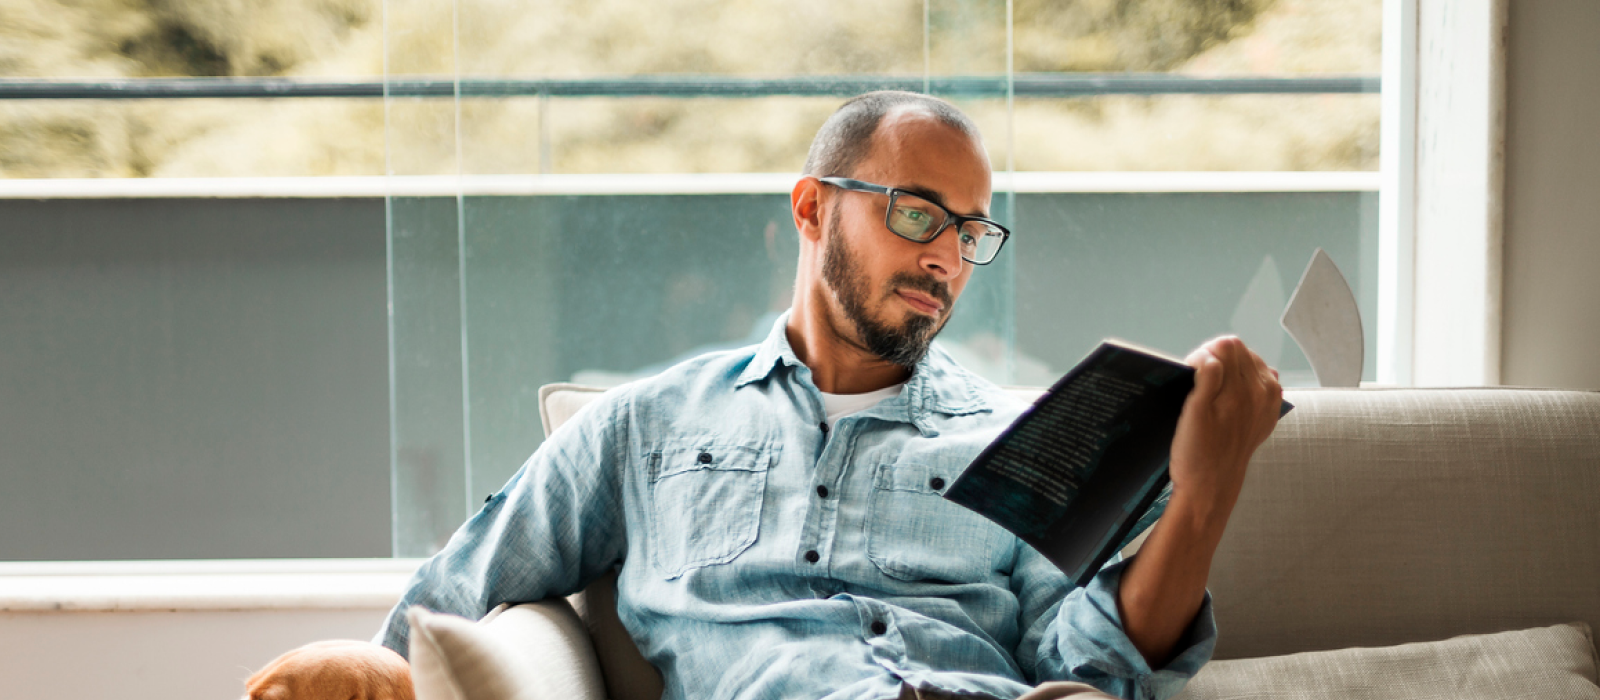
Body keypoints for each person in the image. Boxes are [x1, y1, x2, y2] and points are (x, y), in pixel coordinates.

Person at [251, 90, 1283, 700]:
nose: (949, 261)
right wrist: (365, 665)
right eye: (920, 216)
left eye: (971, 235)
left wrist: (1203, 495)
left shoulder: (1016, 441)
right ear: (812, 208)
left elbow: (1090, 665)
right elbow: (458, 590)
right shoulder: (645, 427)